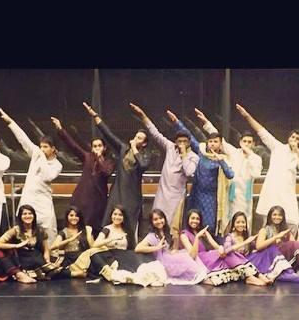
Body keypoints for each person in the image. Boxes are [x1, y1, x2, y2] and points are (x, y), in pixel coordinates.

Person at [236, 103, 299, 235]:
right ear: (288, 138)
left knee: (291, 222)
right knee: (268, 223)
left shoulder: (297, 155)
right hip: (272, 192)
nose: (294, 139)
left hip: (287, 194)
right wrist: (247, 116)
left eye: (297, 139)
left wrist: (297, 150)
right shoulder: (277, 147)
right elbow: (261, 131)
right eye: (292, 137)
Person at [83, 102, 151, 238]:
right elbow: (109, 134)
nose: (135, 138)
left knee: (128, 225)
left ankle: (128, 246)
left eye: (139, 138)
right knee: (109, 220)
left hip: (132, 196)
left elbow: (143, 166)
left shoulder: (145, 155)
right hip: (117, 191)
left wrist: (135, 148)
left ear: (144, 143)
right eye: (136, 136)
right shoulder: (123, 148)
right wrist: (95, 116)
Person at [129, 103, 199, 236]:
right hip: (162, 194)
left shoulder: (193, 157)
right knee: (156, 221)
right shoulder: (170, 147)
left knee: (173, 227)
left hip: (176, 197)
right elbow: (155, 133)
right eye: (179, 141)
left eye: (184, 141)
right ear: (176, 141)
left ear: (189, 142)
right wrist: (143, 115)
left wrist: (184, 154)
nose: (181, 144)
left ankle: (171, 246)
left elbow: (189, 172)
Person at [0, 108, 63, 242]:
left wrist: (42, 157)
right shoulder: (36, 153)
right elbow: (23, 139)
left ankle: (48, 252)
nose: (42, 149)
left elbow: (47, 176)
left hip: (43, 201)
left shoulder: (57, 165)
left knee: (47, 230)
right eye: (41, 146)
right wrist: (10, 122)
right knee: (23, 229)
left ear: (53, 149)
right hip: (29, 198)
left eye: (45, 147)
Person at [194, 108, 263, 229]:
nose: (246, 144)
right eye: (244, 141)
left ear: (253, 144)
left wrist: (249, 154)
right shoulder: (234, 152)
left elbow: (256, 173)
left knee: (244, 222)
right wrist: (206, 122)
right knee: (228, 221)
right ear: (240, 142)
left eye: (249, 142)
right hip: (231, 193)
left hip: (245, 196)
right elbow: (220, 139)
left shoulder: (256, 158)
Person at [171, 111, 235, 237]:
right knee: (192, 222)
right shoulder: (201, 153)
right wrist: (177, 122)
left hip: (211, 197)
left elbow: (230, 174)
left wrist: (221, 161)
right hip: (196, 194)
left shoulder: (223, 159)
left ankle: (207, 246)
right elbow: (190, 137)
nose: (212, 144)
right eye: (210, 141)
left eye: (215, 141)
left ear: (220, 144)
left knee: (208, 225)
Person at [51, 117, 115, 234]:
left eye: (99, 146)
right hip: (82, 197)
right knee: (78, 224)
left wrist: (99, 158)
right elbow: (73, 146)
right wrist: (60, 129)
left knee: (94, 228)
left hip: (98, 200)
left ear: (104, 147)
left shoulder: (109, 162)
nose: (97, 148)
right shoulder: (87, 157)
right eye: (94, 146)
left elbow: (106, 172)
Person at [180, 209, 261, 286]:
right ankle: (252, 276)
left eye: (197, 219)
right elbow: (193, 255)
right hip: (199, 259)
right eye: (193, 218)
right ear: (188, 219)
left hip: (209, 255)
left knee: (228, 254)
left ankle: (251, 276)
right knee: (229, 253)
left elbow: (214, 245)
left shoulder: (204, 231)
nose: (195, 221)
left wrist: (221, 248)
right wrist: (197, 237)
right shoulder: (184, 235)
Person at [134, 209, 208, 285]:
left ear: (164, 219)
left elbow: (167, 249)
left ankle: (201, 276)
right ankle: (198, 277)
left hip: (168, 256)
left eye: (161, 218)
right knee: (185, 259)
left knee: (187, 254)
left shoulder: (165, 232)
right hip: (163, 261)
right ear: (152, 222)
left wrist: (173, 249)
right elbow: (137, 248)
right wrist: (156, 247)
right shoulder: (152, 235)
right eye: (155, 219)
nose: (159, 221)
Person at [0, 205, 62, 280]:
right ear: (20, 217)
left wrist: (47, 261)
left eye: (30, 213)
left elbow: (46, 250)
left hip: (39, 260)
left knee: (61, 272)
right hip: (24, 261)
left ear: (34, 216)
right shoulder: (15, 230)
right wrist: (17, 245)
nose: (27, 216)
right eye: (24, 214)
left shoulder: (40, 230)